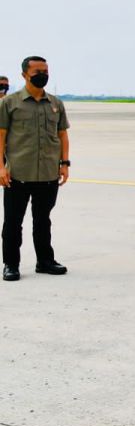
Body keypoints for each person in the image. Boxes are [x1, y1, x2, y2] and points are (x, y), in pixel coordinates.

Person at [0, 57, 70, 282]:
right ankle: (11, 264)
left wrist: (64, 163)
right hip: (17, 174)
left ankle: (45, 261)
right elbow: (0, 137)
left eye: (46, 70)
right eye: (38, 71)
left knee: (43, 220)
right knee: (13, 222)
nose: (43, 74)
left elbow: (62, 135)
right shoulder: (10, 103)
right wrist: (1, 168)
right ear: (24, 75)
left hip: (48, 174)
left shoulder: (56, 103)